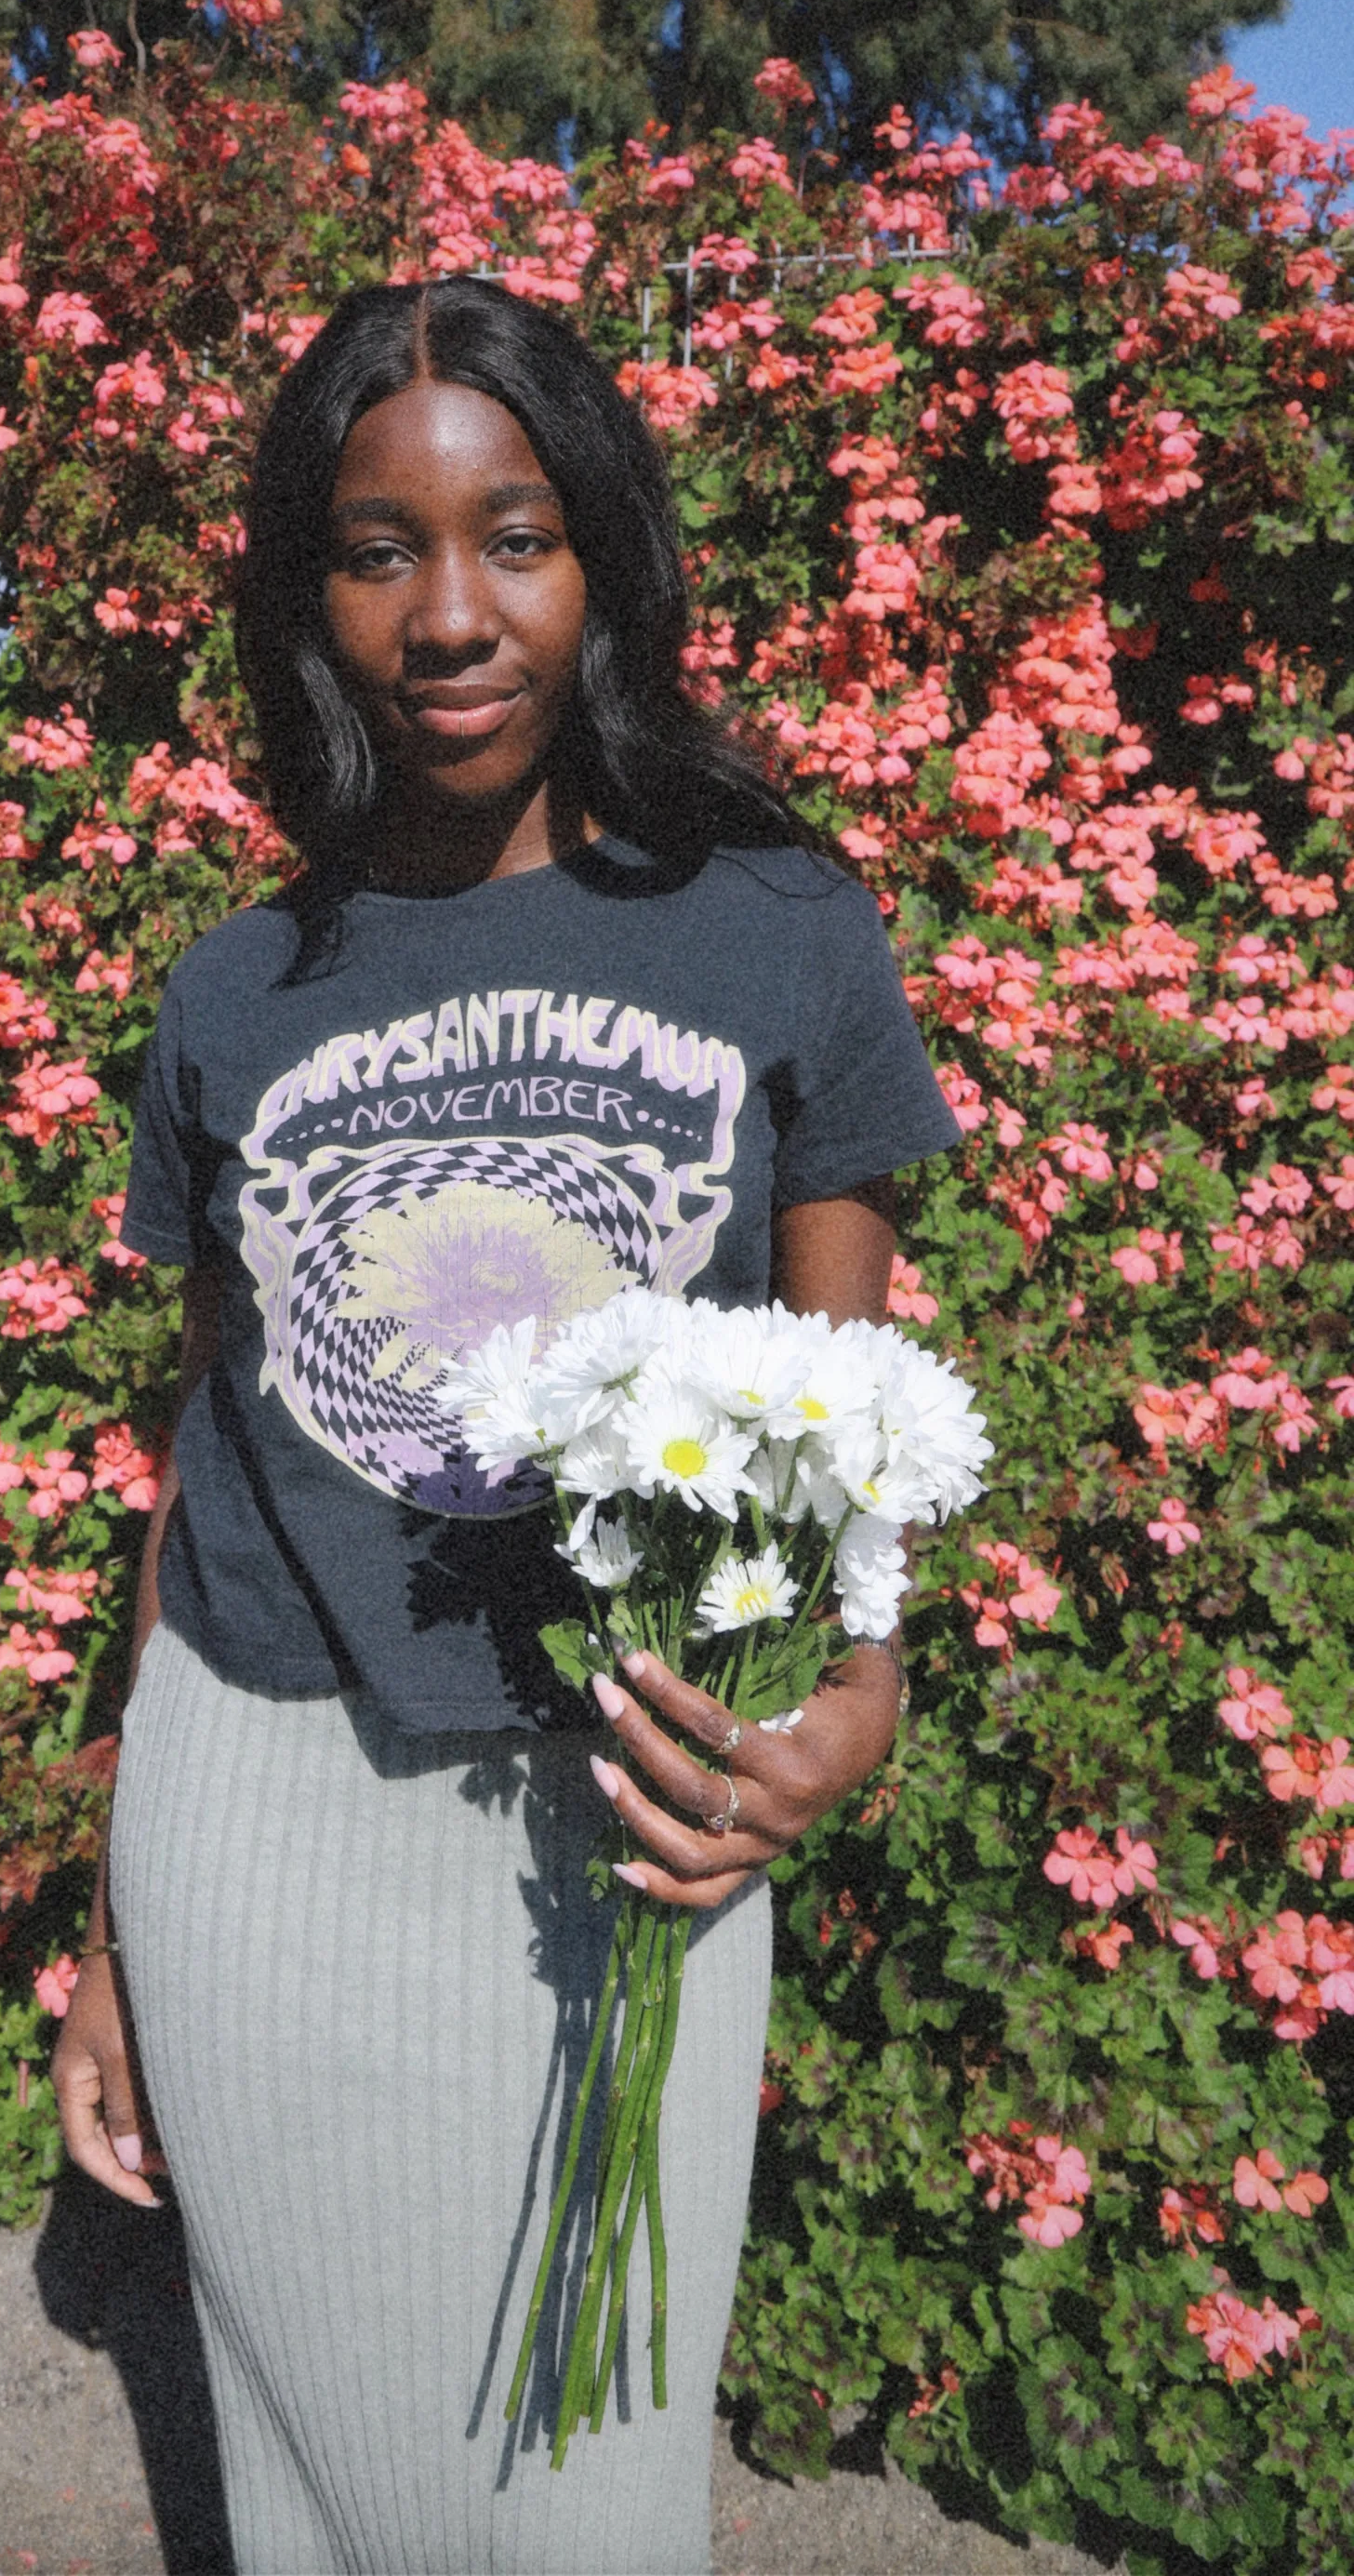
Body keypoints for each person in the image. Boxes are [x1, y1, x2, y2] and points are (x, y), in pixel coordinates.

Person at [53, 276, 960, 2575]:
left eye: (513, 534)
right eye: (377, 549)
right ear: (311, 595)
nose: (449, 613)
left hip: (618, 1818)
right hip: (253, 1811)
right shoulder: (236, 991)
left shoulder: (776, 932)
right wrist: (113, 1937)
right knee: (311, 2474)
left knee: (591, 2497)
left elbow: (839, 1408)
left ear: (603, 564)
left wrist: (849, 1701)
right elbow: (208, 1455)